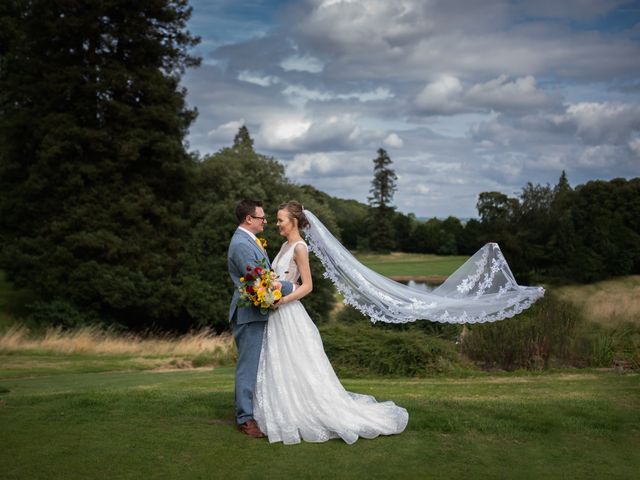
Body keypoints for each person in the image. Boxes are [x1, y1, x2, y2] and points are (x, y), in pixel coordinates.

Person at [253, 201, 409, 444]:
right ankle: (284, 408)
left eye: (280, 219)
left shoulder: (300, 248)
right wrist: (268, 287)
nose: (277, 224)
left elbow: (307, 286)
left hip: (288, 311)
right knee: (280, 361)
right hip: (277, 313)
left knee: (299, 363)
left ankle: (308, 410)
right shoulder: (285, 245)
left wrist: (282, 300)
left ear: (293, 221)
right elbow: (278, 277)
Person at [227, 199, 296, 438]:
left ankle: (254, 412)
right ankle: (245, 419)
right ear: (249, 219)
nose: (265, 221)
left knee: (256, 366)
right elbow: (260, 283)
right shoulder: (242, 244)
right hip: (249, 315)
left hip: (256, 314)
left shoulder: (249, 240)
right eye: (261, 218)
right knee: (248, 367)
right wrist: (292, 287)